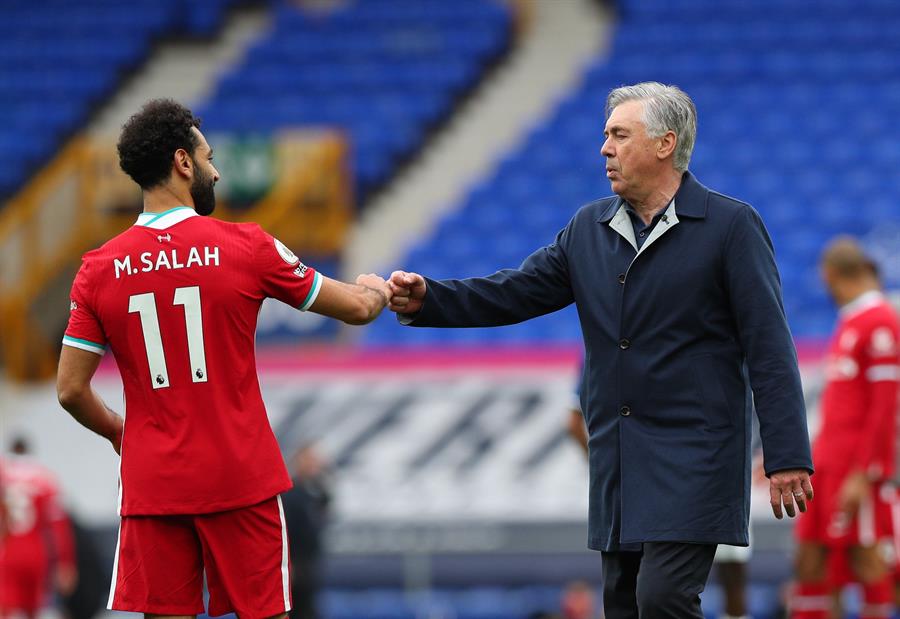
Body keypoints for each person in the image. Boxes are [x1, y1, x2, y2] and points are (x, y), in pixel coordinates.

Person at [388, 81, 814, 618]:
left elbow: (769, 345)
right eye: (606, 135)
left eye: (619, 135)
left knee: (663, 599)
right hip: (619, 459)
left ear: (665, 143)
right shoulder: (587, 228)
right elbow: (515, 291)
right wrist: (430, 299)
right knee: (624, 605)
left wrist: (787, 455)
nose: (604, 148)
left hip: (696, 458)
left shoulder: (731, 226)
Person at [55, 99, 394, 619]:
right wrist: (378, 289)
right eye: (208, 158)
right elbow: (356, 308)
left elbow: (70, 389)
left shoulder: (98, 270)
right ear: (182, 162)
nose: (214, 171)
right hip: (240, 477)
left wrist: (121, 432)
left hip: (153, 484)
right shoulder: (245, 246)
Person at [790, 237, 900, 619]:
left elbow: (885, 409)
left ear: (830, 275)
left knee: (866, 558)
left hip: (854, 468)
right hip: (827, 464)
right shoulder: (851, 320)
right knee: (811, 562)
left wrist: (865, 473)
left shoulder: (881, 322)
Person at [0, 438, 77, 619]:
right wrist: (66, 562)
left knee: (4, 610)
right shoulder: (45, 479)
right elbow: (59, 525)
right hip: (36, 553)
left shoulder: (3, 474)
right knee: (33, 611)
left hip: (7, 552)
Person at [280, 443, 332, 619]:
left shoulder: (317, 491)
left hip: (309, 563)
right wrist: (288, 563)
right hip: (294, 564)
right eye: (309, 460)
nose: (313, 464)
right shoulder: (290, 492)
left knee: (308, 608)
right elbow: (285, 529)